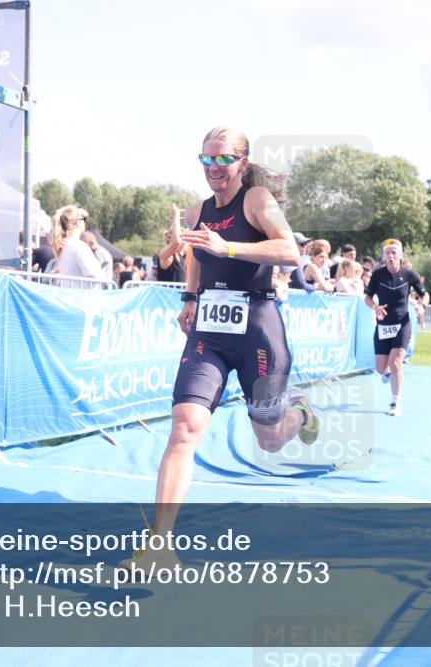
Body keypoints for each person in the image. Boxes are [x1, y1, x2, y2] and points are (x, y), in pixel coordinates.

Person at [124, 126, 319, 571]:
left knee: (268, 440)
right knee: (184, 427)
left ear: (242, 163)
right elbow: (193, 255)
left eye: (223, 160)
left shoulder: (256, 202)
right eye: (206, 161)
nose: (214, 169)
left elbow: (290, 252)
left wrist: (227, 246)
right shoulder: (197, 211)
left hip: (258, 329)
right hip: (209, 333)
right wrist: (190, 298)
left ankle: (301, 412)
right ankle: (160, 547)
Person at [364, 239, 428, 417]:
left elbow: (425, 294)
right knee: (380, 368)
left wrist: (422, 305)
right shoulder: (377, 275)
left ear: (400, 255)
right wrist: (375, 307)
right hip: (383, 325)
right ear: (384, 256)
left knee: (396, 362)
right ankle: (388, 374)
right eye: (387, 253)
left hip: (402, 324)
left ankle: (395, 403)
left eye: (394, 252)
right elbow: (367, 297)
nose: (391, 256)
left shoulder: (409, 275)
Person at [51, 205, 104, 288]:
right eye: (84, 219)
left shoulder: (62, 246)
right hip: (83, 298)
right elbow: (94, 275)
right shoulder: (79, 247)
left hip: (70, 296)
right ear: (77, 222)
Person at [155, 207, 188, 282]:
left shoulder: (181, 255)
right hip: (166, 294)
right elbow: (176, 242)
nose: (184, 241)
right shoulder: (165, 255)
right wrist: (176, 216)